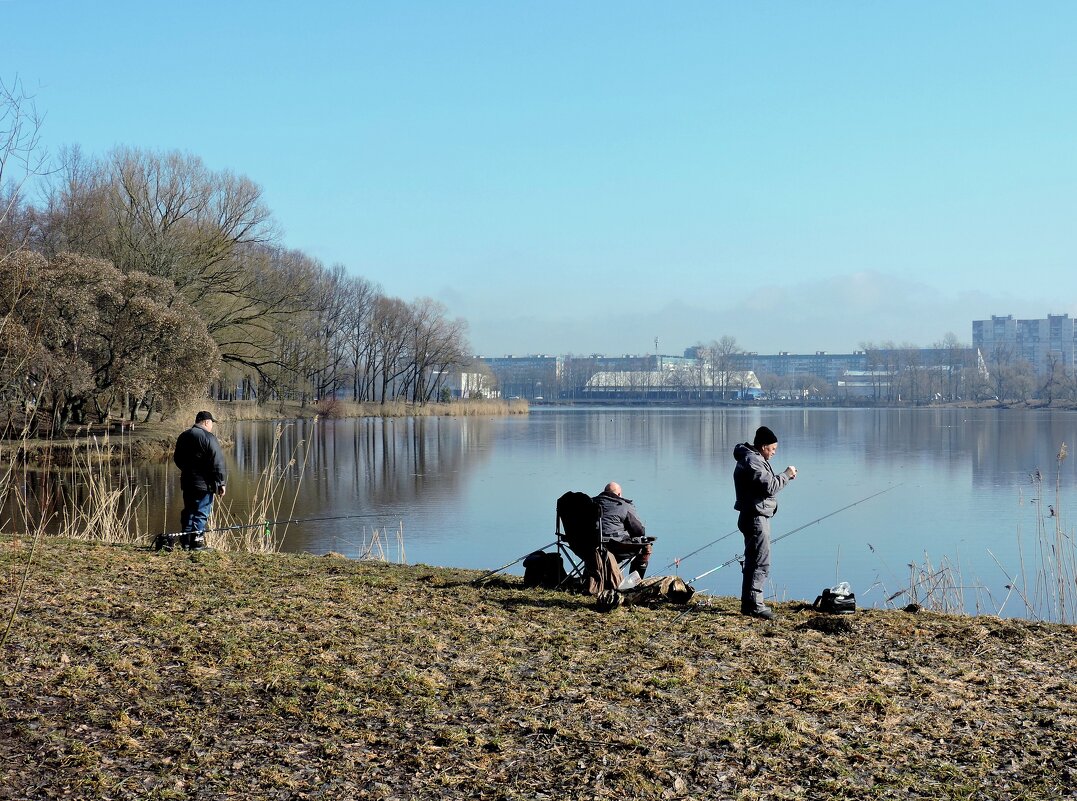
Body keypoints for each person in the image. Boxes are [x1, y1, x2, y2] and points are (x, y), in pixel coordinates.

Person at [732, 426, 797, 619]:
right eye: (773, 449)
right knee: (760, 561)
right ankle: (755, 606)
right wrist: (786, 474)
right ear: (763, 446)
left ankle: (749, 603)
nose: (774, 452)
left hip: (754, 516)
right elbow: (769, 486)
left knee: (753, 560)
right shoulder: (753, 460)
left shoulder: (753, 458)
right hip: (755, 518)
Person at [162, 410, 227, 552]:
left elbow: (177, 459)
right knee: (202, 512)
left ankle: (186, 542)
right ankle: (197, 544)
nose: (212, 426)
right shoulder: (208, 437)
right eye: (211, 423)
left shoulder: (184, 436)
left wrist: (188, 470)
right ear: (206, 422)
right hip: (205, 484)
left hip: (187, 481)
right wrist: (221, 482)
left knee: (189, 511)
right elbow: (218, 461)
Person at [593, 481, 653, 580]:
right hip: (615, 548)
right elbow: (639, 531)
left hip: (588, 547)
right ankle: (633, 582)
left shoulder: (589, 503)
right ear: (619, 494)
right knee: (646, 547)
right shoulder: (624, 505)